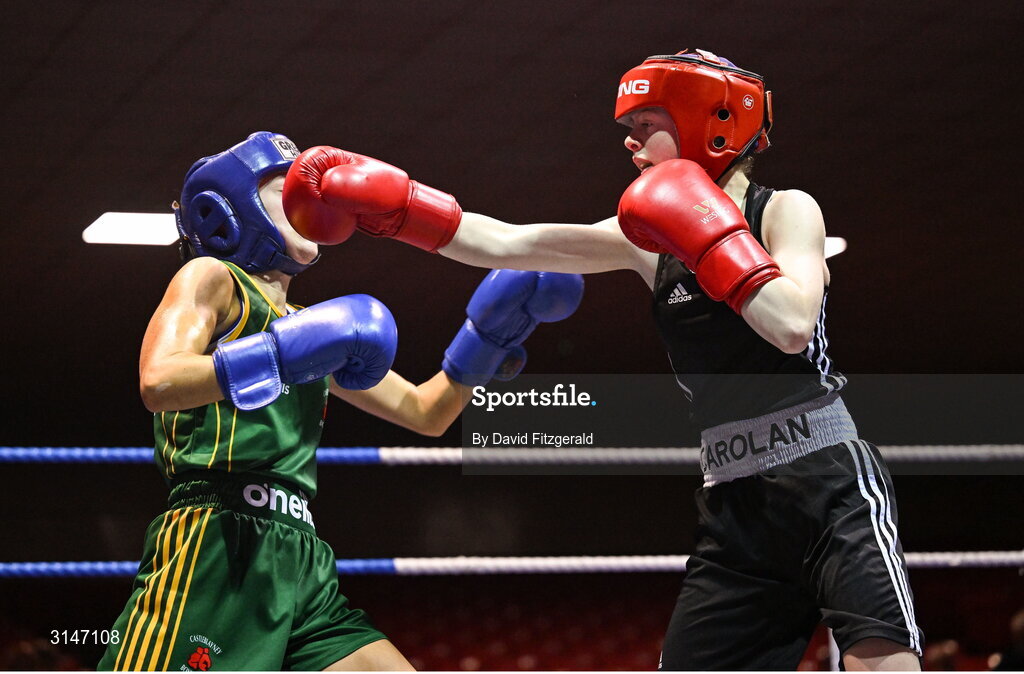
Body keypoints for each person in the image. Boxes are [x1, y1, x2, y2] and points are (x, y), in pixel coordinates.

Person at [281, 50, 924, 670]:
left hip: (826, 480)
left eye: (646, 125)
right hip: (734, 500)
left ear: (713, 124)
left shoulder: (786, 210)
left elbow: (789, 325)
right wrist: (399, 208)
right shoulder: (643, 239)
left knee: (884, 667)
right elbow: (509, 242)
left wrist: (708, 234)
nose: (628, 141)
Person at [97, 132, 583, 671]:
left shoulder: (315, 330)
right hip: (217, 536)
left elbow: (427, 413)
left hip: (301, 554)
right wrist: (280, 354)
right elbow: (157, 381)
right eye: (289, 191)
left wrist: (488, 338)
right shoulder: (212, 278)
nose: (312, 204)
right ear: (229, 212)